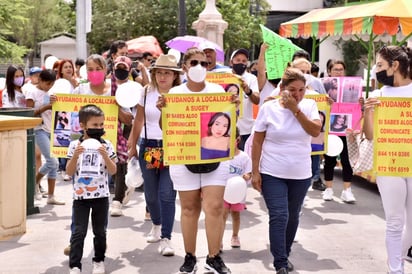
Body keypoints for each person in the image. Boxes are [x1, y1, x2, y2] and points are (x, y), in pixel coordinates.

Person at [157, 48, 237, 274]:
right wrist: (163, 111)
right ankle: (190, 256)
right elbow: (166, 128)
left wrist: (234, 105)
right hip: (184, 158)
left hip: (215, 158)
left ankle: (214, 257)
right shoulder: (174, 93)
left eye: (204, 62)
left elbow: (230, 122)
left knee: (215, 207)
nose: (199, 67)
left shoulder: (217, 92)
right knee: (189, 208)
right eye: (194, 62)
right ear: (184, 66)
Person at [251, 68, 321, 274]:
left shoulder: (309, 105)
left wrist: (295, 110)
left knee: (292, 215)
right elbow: (257, 141)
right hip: (272, 172)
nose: (297, 95)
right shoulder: (269, 108)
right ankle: (280, 262)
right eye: (292, 90)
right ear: (282, 89)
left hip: (300, 173)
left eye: (301, 90)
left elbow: (315, 130)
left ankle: (285, 251)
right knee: (279, 215)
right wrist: (255, 171)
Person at [363, 45, 412, 274]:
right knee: (394, 222)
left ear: (395, 66)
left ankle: (400, 258)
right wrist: (368, 113)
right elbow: (370, 135)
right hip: (388, 164)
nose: (376, 70)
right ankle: (396, 270)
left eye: (380, 65)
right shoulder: (378, 95)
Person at [128, 54, 181, 256]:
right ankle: (157, 225)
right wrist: (133, 145)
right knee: (151, 194)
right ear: (154, 73)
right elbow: (138, 120)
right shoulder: (146, 92)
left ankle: (167, 238)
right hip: (150, 147)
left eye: (167, 73)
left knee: (167, 193)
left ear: (174, 76)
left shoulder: (179, 93)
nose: (163, 77)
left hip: (173, 147)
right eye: (159, 72)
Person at [65, 104, 117, 274]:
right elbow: (69, 171)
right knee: (79, 232)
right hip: (80, 197)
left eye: (101, 124)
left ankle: (99, 260)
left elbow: (113, 170)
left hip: (101, 195)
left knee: (100, 231)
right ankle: (75, 265)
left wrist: (105, 155)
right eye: (95, 125)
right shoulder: (74, 145)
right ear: (83, 125)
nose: (99, 128)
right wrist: (75, 156)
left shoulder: (106, 144)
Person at [26, 69, 65, 205]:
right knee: (52, 161)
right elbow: (29, 113)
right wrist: (46, 107)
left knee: (53, 165)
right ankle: (35, 182)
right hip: (39, 129)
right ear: (40, 80)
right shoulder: (32, 92)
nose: (49, 87)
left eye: (52, 84)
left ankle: (51, 196)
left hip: (52, 129)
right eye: (47, 83)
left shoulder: (51, 93)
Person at [322, 59, 357, 203]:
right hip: (330, 128)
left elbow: (355, 108)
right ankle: (328, 189)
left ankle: (347, 190)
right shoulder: (324, 86)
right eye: (335, 69)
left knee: (346, 160)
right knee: (329, 159)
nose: (338, 72)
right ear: (329, 71)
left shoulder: (352, 86)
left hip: (346, 128)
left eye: (341, 69)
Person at [107, 55, 137, 217]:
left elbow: (130, 118)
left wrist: (116, 108)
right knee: (113, 162)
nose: (120, 71)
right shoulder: (106, 86)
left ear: (130, 70)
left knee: (121, 163)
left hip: (127, 129)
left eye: (124, 68)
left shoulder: (133, 89)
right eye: (117, 67)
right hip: (107, 127)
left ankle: (117, 200)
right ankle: (126, 186)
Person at [221, 127, 251, 249]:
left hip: (238, 193)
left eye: (230, 139)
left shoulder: (244, 157)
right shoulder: (221, 156)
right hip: (223, 192)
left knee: (236, 214)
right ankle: (219, 239)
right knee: (222, 215)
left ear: (237, 140)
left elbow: (249, 173)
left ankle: (235, 236)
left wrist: (246, 176)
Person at [230, 48, 260, 150]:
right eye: (238, 60)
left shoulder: (252, 78)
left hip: (246, 129)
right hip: (228, 128)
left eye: (244, 61)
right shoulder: (225, 77)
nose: (241, 63)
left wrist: (248, 91)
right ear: (231, 62)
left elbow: (257, 100)